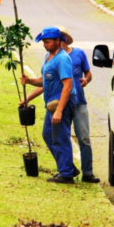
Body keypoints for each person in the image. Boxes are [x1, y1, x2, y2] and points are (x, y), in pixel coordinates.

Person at [21, 26, 78, 184]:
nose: (45, 45)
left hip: (61, 103)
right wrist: (30, 80)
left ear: (58, 41)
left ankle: (66, 174)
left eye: (48, 42)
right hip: (52, 104)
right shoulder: (48, 56)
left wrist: (60, 110)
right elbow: (44, 81)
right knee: (48, 134)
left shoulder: (62, 59)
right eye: (43, 42)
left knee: (60, 137)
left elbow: (67, 85)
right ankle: (68, 167)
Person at [56, 26, 100, 183]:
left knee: (84, 139)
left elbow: (88, 73)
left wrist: (86, 79)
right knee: (63, 138)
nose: (57, 41)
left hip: (79, 103)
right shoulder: (52, 58)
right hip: (62, 104)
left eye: (60, 38)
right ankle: (67, 169)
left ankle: (87, 173)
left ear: (65, 39)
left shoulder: (79, 54)